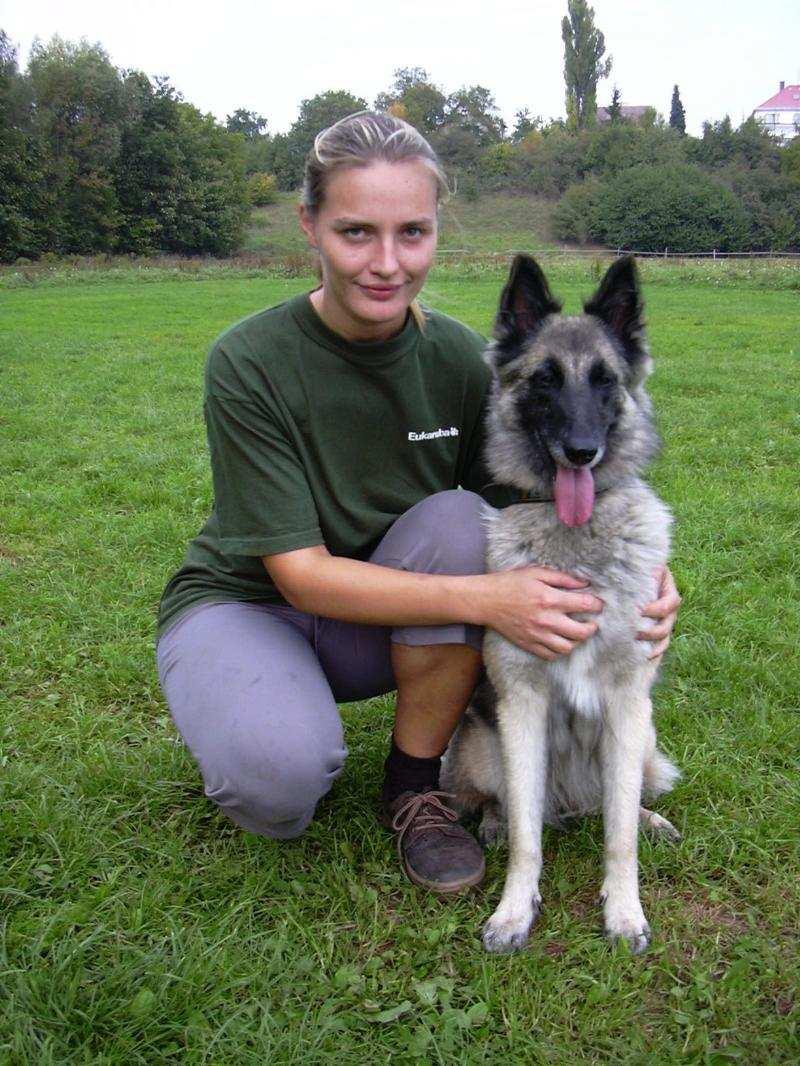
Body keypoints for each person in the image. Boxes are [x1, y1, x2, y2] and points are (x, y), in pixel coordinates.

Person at [156, 111, 680, 894]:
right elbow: (298, 575)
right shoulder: (248, 359)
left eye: (414, 233)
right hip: (251, 602)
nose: (387, 263)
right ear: (310, 226)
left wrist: (650, 585)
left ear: (437, 232)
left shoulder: (463, 360)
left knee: (458, 522)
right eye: (356, 232)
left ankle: (413, 787)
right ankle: (261, 708)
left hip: (391, 607)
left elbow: (538, 503)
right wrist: (487, 599)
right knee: (276, 784)